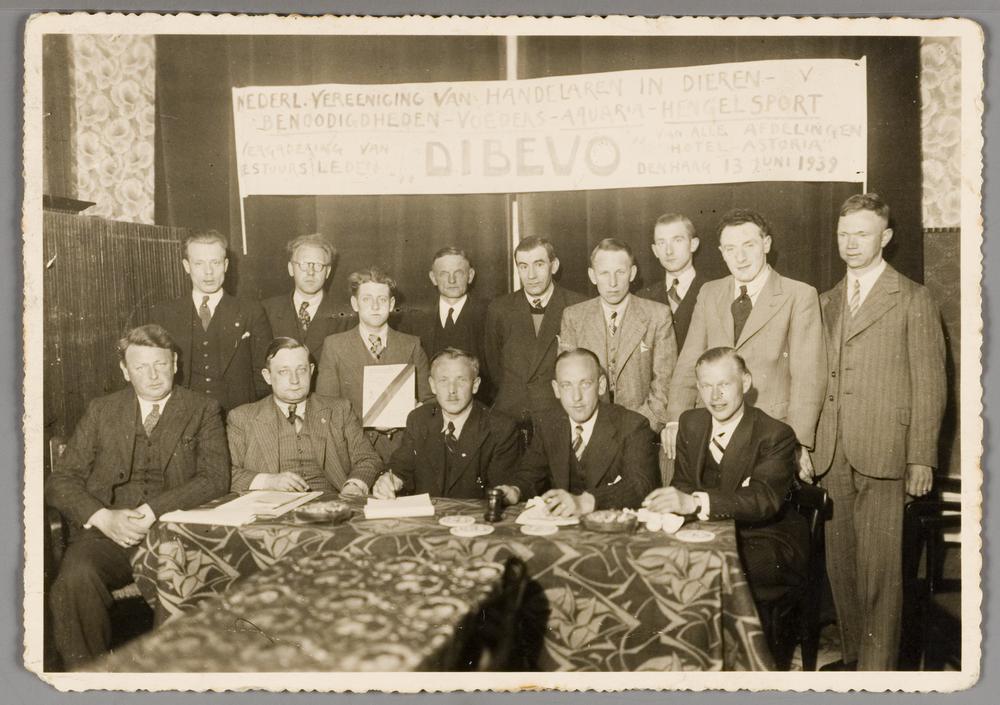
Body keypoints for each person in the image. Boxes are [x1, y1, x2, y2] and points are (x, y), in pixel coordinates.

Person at [809, 193, 946, 671]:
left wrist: (921, 456)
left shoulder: (912, 297)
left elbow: (930, 383)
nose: (850, 243)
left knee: (881, 576)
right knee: (842, 570)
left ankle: (877, 675)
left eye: (862, 234)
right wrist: (809, 445)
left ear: (884, 237)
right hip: (832, 453)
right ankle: (854, 664)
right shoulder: (824, 301)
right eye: (844, 234)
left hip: (887, 453)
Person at [45, 324, 229, 667]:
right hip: (108, 536)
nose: (153, 375)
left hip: (175, 534)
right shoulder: (102, 410)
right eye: (141, 367)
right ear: (125, 371)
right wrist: (102, 517)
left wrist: (152, 510)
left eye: (160, 364)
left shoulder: (202, 408)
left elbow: (215, 479)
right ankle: (87, 679)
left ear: (175, 364)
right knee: (75, 578)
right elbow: (60, 480)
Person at [664, 209, 826, 481]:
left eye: (748, 245)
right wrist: (674, 418)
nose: (740, 257)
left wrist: (796, 442)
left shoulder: (799, 295)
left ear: (766, 244)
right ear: (721, 252)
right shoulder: (709, 292)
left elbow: (808, 377)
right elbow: (689, 361)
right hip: (712, 430)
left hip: (770, 435)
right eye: (730, 249)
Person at [644, 347, 808, 607]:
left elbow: (762, 499)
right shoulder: (691, 422)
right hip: (709, 534)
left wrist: (695, 503)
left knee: (707, 570)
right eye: (706, 386)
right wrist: (664, 510)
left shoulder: (775, 434)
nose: (715, 396)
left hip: (764, 538)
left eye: (724, 385)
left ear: (745, 382)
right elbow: (683, 484)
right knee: (654, 561)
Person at [496, 348, 659, 516]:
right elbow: (530, 475)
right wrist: (515, 490)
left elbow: (641, 485)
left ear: (601, 385)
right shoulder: (549, 424)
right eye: (566, 385)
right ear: (556, 389)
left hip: (609, 527)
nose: (576, 397)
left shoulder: (632, 425)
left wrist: (585, 502)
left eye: (585, 384)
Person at [227, 337, 382, 497]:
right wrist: (268, 481)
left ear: (311, 371)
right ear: (267, 376)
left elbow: (368, 458)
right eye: (284, 371)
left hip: (333, 503)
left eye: (301, 370)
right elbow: (225, 473)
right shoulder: (242, 418)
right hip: (270, 506)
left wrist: (354, 485)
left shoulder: (339, 410)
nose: (294, 380)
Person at [559, 238, 676, 433]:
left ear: (632, 273)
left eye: (620, 272)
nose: (612, 283)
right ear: (592, 275)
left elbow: (664, 383)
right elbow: (568, 383)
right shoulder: (573, 317)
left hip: (641, 427)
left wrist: (638, 428)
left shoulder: (658, 315)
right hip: (590, 430)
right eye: (604, 273)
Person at [316, 267, 432, 462]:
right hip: (353, 451)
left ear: (392, 304)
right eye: (367, 299)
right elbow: (326, 406)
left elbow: (430, 402)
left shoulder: (412, 344)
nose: (375, 306)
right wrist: (372, 418)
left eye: (382, 299)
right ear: (355, 304)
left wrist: (413, 412)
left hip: (403, 452)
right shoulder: (334, 346)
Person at [147, 229, 271, 412]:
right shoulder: (164, 313)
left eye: (215, 262)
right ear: (187, 266)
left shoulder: (251, 311)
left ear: (226, 265)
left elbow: (264, 373)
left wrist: (247, 416)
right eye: (199, 263)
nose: (208, 272)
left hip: (237, 416)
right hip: (183, 415)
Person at [372, 348, 520, 499]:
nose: (451, 390)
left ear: (475, 385)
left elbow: (501, 494)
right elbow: (399, 467)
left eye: (461, 380)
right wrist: (390, 480)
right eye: (443, 380)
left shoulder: (500, 428)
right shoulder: (419, 419)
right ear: (432, 385)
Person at [484, 236, 586, 433]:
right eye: (523, 266)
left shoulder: (578, 305)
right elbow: (494, 367)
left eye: (539, 264)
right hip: (510, 417)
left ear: (554, 266)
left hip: (560, 417)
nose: (531, 275)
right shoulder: (499, 309)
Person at [399, 246, 491, 400]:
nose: (451, 280)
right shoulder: (414, 319)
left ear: (470, 275)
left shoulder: (490, 315)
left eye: (458, 273)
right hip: (429, 408)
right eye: (444, 274)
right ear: (433, 278)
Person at [262, 233, 353, 364]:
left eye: (318, 265)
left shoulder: (347, 316)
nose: (311, 272)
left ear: (327, 272)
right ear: (291, 269)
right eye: (304, 264)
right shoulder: (266, 311)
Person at [638, 212, 708, 351]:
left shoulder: (714, 291)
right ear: (655, 250)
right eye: (661, 243)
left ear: (693, 244)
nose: (669, 251)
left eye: (677, 240)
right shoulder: (642, 298)